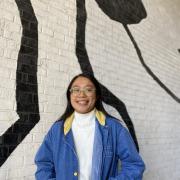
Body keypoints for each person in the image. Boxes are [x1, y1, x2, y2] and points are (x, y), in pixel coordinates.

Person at [35, 73, 145, 180]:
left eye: (88, 90)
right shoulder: (57, 130)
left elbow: (134, 165)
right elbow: (44, 163)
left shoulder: (114, 128)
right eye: (76, 90)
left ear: (96, 96)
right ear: (70, 95)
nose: (81, 95)